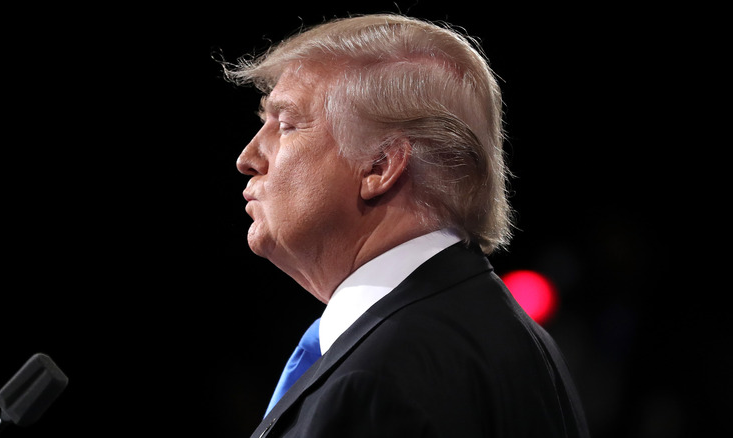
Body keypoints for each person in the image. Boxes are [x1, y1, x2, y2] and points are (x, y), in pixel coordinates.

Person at [224, 13, 589, 437]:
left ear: (379, 165)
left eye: (286, 125)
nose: (248, 158)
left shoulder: (381, 378)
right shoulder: (499, 336)